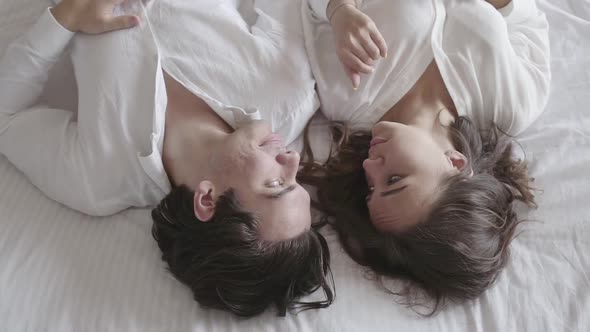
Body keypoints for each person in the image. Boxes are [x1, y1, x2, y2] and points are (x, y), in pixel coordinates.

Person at [0, 0, 333, 316]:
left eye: (276, 184)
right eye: (296, 180)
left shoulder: (101, 175)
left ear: (207, 199)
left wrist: (67, 17)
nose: (291, 159)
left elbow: (5, 115)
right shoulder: (289, 93)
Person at [298, 0, 550, 313]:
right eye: (393, 179)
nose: (369, 166)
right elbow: (528, 22)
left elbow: (307, 12)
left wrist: (338, 11)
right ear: (456, 163)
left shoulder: (350, 94)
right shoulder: (509, 107)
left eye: (371, 188)